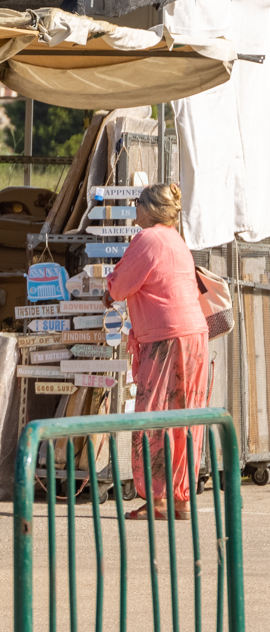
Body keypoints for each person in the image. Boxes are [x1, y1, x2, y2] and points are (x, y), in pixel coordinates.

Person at [106, 183, 211, 521]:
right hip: (193, 333)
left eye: (137, 203)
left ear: (149, 209)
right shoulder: (176, 241)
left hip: (164, 336)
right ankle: (181, 498)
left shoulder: (148, 239)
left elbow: (120, 286)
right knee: (185, 416)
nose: (134, 209)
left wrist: (107, 293)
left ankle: (158, 499)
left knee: (154, 415)